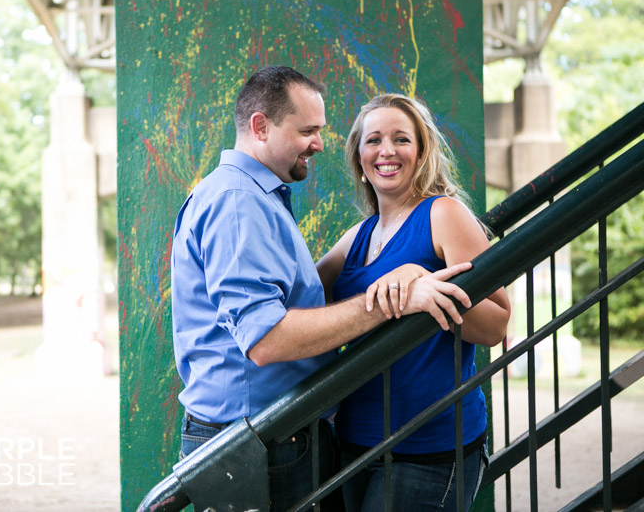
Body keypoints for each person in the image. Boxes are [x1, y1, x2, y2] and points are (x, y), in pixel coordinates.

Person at [170, 67, 475, 511]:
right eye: (308, 130)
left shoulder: (257, 197)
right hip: (259, 440)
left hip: (279, 433)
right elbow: (266, 337)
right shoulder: (238, 201)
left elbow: (306, 290)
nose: (318, 143)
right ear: (260, 127)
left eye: (321, 130)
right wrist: (394, 301)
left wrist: (406, 270)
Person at [315, 93, 511, 511]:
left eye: (401, 139)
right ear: (360, 158)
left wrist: (419, 286)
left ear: (421, 152)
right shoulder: (357, 236)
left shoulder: (443, 214)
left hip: (429, 447)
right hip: (354, 444)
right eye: (374, 140)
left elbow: (496, 323)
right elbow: (305, 297)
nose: (386, 151)